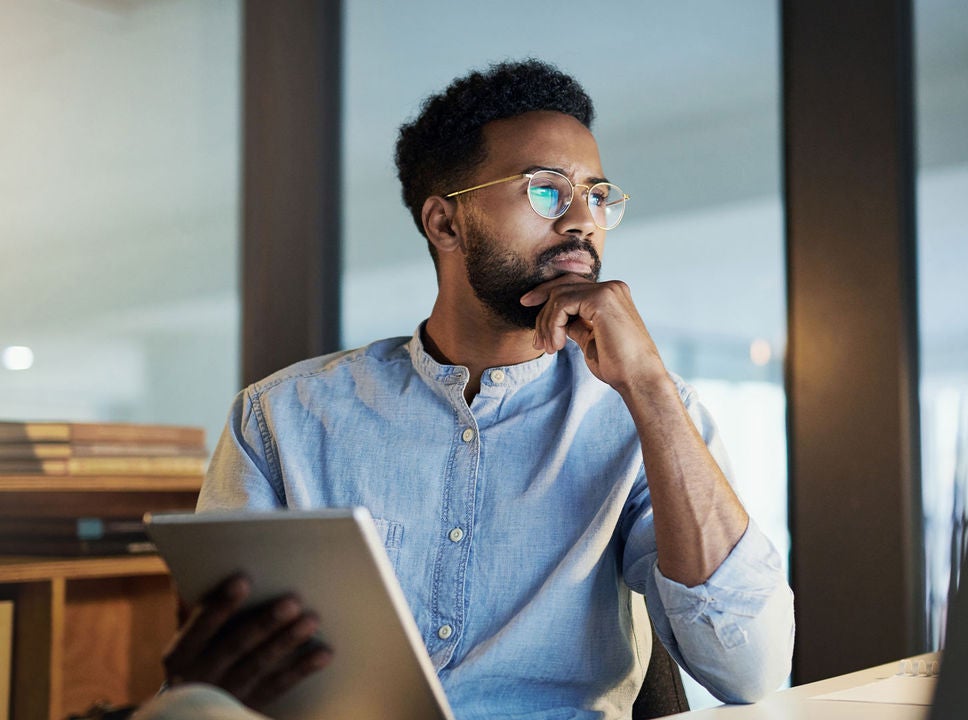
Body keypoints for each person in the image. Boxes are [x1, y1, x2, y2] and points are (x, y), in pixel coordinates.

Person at [160, 59, 794, 719]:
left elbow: (749, 669)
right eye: (546, 190)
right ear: (444, 224)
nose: (583, 218)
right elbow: (220, 681)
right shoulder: (280, 419)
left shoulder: (643, 411)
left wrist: (651, 386)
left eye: (597, 194)